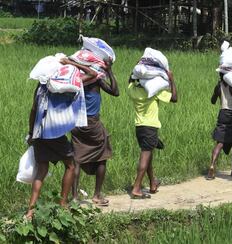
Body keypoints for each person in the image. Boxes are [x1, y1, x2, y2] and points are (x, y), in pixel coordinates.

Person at [26, 58, 97, 218]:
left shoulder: (42, 86)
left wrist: (31, 133)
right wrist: (71, 63)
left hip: (40, 132)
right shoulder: (67, 86)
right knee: (71, 165)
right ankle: (63, 203)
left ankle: (30, 210)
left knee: (42, 170)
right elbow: (93, 73)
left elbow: (33, 109)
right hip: (55, 133)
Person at [71, 60, 119, 206]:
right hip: (92, 123)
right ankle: (97, 195)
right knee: (102, 156)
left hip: (76, 123)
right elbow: (115, 91)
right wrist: (109, 71)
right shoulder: (96, 80)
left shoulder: (74, 81)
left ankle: (73, 197)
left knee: (76, 159)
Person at [127, 71, 178, 199]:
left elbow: (130, 81)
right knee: (145, 155)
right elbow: (174, 98)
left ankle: (152, 183)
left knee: (148, 154)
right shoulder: (154, 91)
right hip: (150, 127)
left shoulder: (133, 89)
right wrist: (171, 80)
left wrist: (135, 71)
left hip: (139, 127)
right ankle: (137, 188)